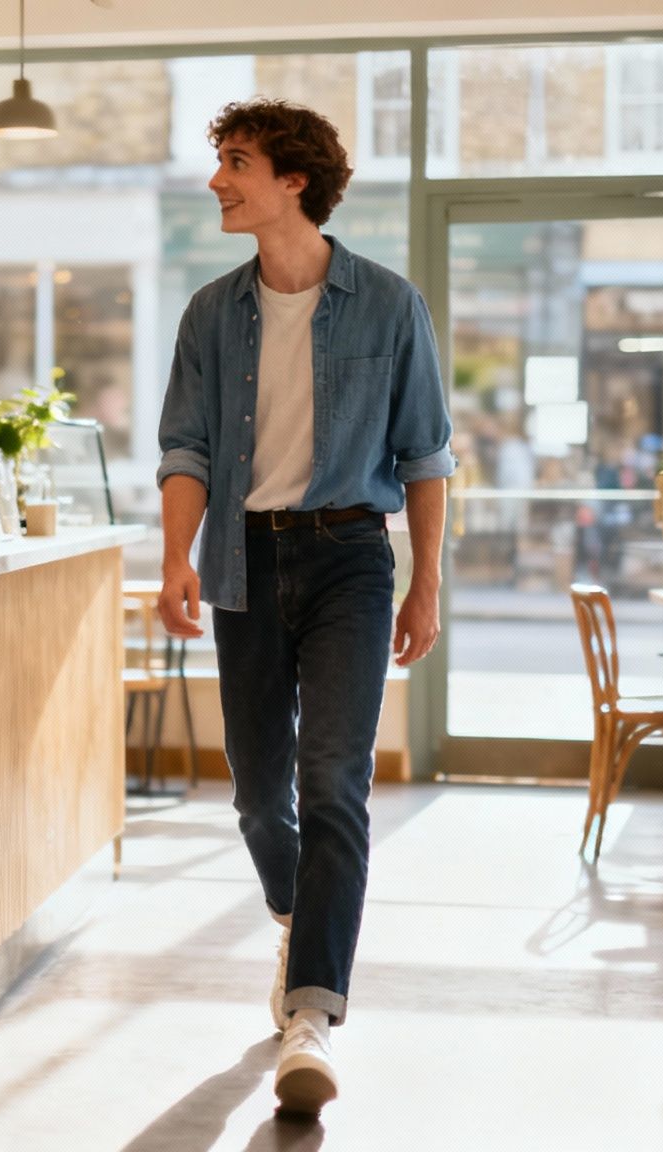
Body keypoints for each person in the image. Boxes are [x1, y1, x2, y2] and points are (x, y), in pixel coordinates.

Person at [154, 99, 454, 1119]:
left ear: (293, 180)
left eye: (234, 162)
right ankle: (297, 913)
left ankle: (311, 1010)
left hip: (349, 563)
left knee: (333, 781)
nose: (217, 181)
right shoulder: (209, 312)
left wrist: (428, 578)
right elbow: (186, 450)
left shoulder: (386, 303)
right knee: (254, 791)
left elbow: (424, 456)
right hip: (242, 558)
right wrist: (173, 559)